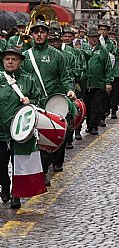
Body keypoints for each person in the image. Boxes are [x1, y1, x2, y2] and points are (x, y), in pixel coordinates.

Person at [22, 20, 76, 184]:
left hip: (50, 104)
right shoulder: (24, 56)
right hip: (30, 103)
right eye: (36, 32)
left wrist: (70, 89)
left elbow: (66, 76)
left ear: (47, 34)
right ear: (32, 35)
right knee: (30, 139)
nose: (39, 35)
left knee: (46, 140)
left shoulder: (57, 55)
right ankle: (32, 171)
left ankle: (43, 171)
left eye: (42, 32)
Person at [0, 47, 42, 209]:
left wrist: (29, 101)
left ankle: (16, 194)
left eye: (14, 59)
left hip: (20, 131)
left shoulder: (28, 79)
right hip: (1, 131)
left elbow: (39, 101)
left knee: (19, 163)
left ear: (20, 62)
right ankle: (5, 185)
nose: (10, 62)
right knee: (1, 163)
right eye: (7, 59)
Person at [84, 26, 113, 133]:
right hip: (86, 83)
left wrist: (108, 82)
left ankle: (93, 126)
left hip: (99, 82)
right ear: (88, 37)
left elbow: (108, 66)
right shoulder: (83, 48)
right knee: (87, 105)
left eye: (96, 37)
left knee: (96, 105)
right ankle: (88, 124)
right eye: (91, 37)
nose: (94, 39)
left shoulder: (103, 50)